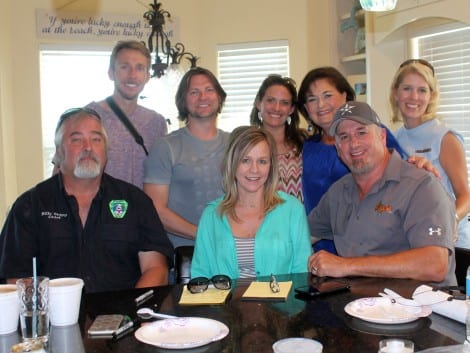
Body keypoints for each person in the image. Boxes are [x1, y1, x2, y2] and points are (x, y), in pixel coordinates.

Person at [0, 108, 174, 292]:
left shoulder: (136, 202)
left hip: (124, 315)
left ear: (106, 150)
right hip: (53, 318)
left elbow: (156, 269)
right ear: (59, 152)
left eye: (96, 139)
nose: (88, 147)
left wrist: (130, 310)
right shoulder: (29, 206)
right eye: (76, 140)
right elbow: (16, 278)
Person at [307, 101, 456, 285]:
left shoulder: (421, 185)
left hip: (421, 309)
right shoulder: (338, 192)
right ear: (338, 149)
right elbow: (303, 234)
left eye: (361, 132)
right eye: (344, 137)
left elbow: (435, 265)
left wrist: (346, 265)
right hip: (358, 306)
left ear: (382, 136)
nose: (353, 143)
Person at [297, 66, 425, 253]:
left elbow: (402, 176)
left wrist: (423, 165)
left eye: (327, 95)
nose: (320, 105)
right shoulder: (307, 147)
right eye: (312, 99)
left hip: (369, 246)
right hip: (317, 246)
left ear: (345, 96)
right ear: (306, 108)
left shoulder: (373, 133)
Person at [191, 126, 311, 279]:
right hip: (225, 303)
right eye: (245, 160)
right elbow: (200, 275)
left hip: (281, 302)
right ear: (232, 163)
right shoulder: (212, 214)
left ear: (271, 166)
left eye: (262, 161)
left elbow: (302, 274)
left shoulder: (292, 210)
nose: (254, 170)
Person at [144, 67, 229, 248]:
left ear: (219, 96)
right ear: (183, 101)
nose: (203, 97)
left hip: (231, 252)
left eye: (209, 90)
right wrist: (203, 235)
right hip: (184, 256)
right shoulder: (166, 147)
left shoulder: (235, 143)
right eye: (194, 92)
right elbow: (155, 209)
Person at [390, 59, 470, 249]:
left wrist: (452, 220)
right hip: (414, 240)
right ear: (395, 93)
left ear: (432, 96)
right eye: (407, 88)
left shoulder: (445, 137)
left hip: (452, 244)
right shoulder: (393, 139)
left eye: (422, 90)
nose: (414, 97)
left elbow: (466, 196)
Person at [86, 40, 167, 189]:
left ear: (147, 77)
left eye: (140, 68)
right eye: (125, 67)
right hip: (98, 209)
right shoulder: (88, 117)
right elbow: (62, 171)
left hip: (142, 210)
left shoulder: (157, 123)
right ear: (111, 73)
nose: (132, 75)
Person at [250, 74, 308, 202]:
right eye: (271, 100)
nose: (277, 108)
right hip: (262, 220)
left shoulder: (304, 142)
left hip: (302, 220)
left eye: (284, 103)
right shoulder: (247, 146)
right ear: (258, 103)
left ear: (291, 109)